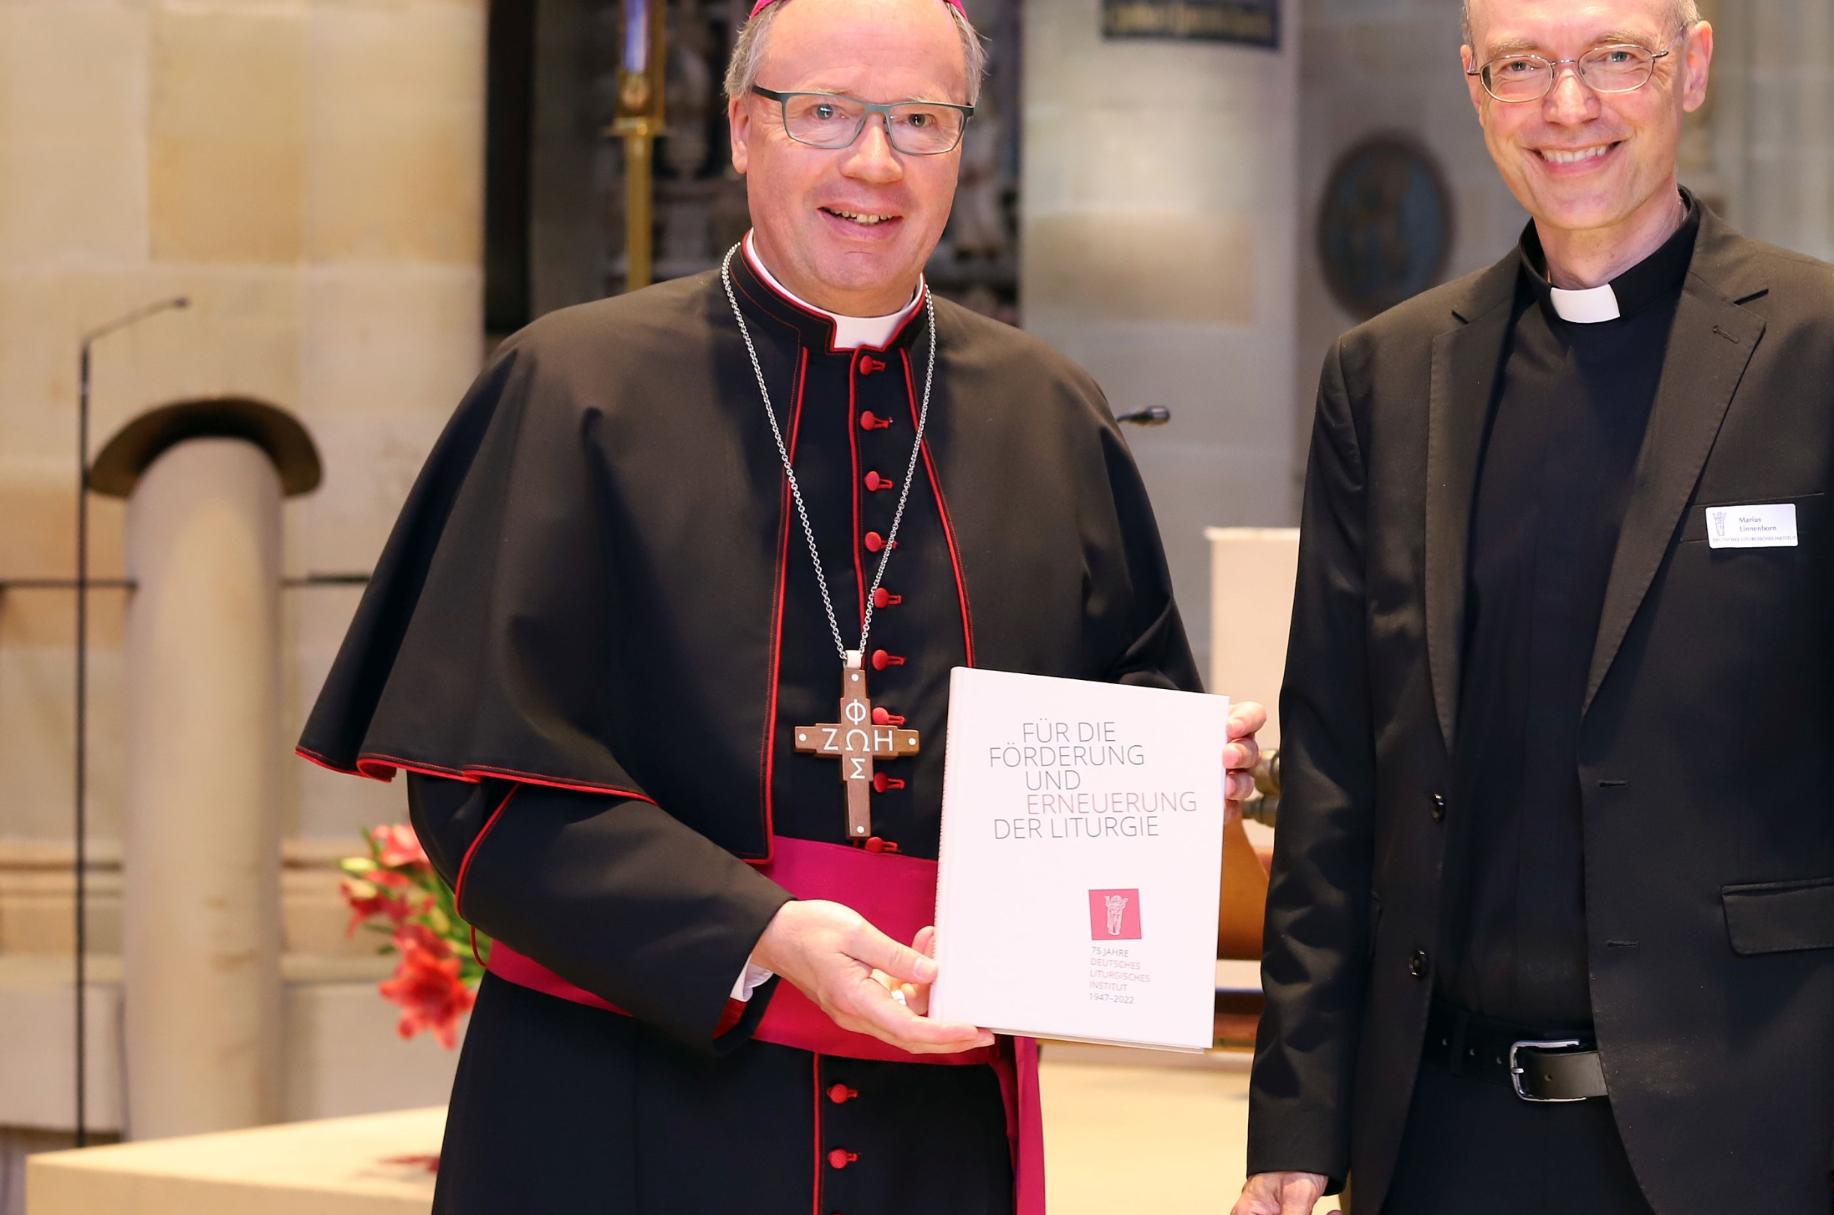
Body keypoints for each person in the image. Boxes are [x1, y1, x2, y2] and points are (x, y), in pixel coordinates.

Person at [299, 0, 1264, 1210]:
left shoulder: (1049, 412)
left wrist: (1183, 783)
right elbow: (480, 791)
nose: (876, 164)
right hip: (621, 1115)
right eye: (825, 114)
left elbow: (1126, 722)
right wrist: (758, 932)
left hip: (933, 1127)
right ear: (742, 129)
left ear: (964, 145)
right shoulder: (572, 388)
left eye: (920, 120)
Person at [1238, 1, 1834, 1212]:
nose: (1568, 107)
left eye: (1614, 59)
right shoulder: (1385, 377)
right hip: (1437, 1137)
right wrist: (1295, 1118)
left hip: (1746, 1136)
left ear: (1692, 67)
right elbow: (1334, 782)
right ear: (1475, 86)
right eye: (1522, 66)